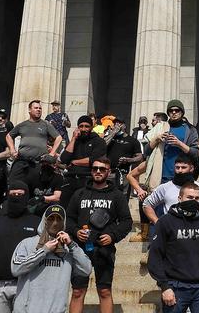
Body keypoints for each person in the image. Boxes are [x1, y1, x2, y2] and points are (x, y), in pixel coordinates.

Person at [66, 157, 131, 313]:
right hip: (80, 250)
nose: (98, 171)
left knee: (104, 291)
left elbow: (126, 222)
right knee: (77, 292)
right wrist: (75, 231)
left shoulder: (117, 195)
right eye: (95, 168)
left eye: (102, 169)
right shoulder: (79, 193)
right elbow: (69, 219)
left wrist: (113, 236)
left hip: (104, 250)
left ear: (108, 172)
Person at [149, 183, 199, 313]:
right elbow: (155, 257)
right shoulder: (165, 222)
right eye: (189, 197)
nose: (193, 201)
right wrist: (165, 287)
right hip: (175, 287)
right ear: (179, 198)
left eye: (197, 198)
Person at [10, 204, 93, 313]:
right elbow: (15, 268)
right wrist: (43, 251)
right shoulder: (27, 243)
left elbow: (86, 270)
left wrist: (72, 245)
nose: (55, 223)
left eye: (59, 219)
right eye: (51, 218)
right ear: (44, 220)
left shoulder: (69, 249)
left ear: (63, 223)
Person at [0, 180, 41, 313]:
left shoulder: (37, 223)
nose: (16, 197)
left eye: (20, 194)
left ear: (27, 196)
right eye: (13, 194)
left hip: (26, 284)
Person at [143, 155, 199, 223]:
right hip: (171, 233)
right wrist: (157, 222)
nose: (180, 170)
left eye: (183, 167)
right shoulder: (164, 188)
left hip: (193, 234)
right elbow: (147, 204)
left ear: (191, 168)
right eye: (177, 167)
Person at [8, 100, 62, 186]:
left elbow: (58, 138)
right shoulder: (22, 125)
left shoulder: (46, 124)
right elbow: (9, 136)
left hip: (38, 164)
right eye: (36, 108)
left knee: (36, 190)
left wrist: (52, 153)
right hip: (21, 162)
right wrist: (12, 150)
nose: (39, 110)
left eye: (40, 108)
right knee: (14, 186)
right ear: (29, 110)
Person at [60, 115, 107, 207]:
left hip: (88, 179)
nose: (83, 129)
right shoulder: (75, 141)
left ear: (91, 127)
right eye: (81, 126)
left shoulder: (98, 141)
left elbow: (94, 161)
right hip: (71, 179)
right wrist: (73, 139)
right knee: (65, 208)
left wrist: (73, 162)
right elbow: (64, 159)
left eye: (87, 126)